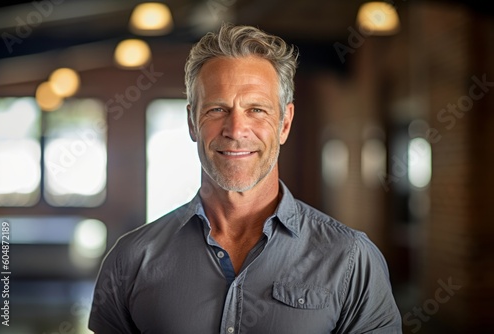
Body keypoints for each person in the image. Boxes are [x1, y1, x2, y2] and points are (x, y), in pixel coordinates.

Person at [88, 23, 402, 334]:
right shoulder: (130, 260)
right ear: (192, 123)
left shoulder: (351, 260)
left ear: (284, 124)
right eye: (216, 110)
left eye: (256, 110)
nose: (236, 130)